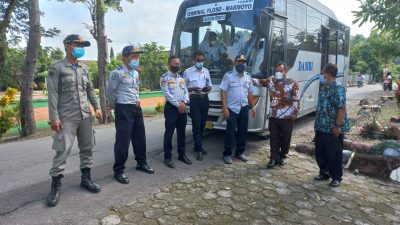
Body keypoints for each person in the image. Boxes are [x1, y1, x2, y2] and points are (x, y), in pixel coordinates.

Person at [46, 34, 103, 207]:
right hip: (66, 117)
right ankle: (55, 186)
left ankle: (86, 179)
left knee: (87, 148)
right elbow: (53, 94)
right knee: (62, 150)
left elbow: (90, 90)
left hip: (85, 115)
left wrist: (97, 106)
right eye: (77, 44)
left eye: (82, 45)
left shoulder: (84, 68)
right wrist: (54, 117)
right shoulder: (57, 67)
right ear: (67, 46)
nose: (80, 47)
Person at [106, 46, 154, 185]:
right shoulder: (117, 73)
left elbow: (135, 90)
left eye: (137, 56)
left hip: (136, 108)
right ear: (125, 57)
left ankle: (141, 163)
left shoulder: (135, 73)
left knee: (140, 138)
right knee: (123, 141)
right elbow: (110, 92)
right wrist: (117, 107)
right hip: (124, 109)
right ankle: (119, 170)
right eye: (133, 56)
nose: (136, 59)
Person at [314, 63, 349, 188]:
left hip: (332, 127)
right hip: (320, 126)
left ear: (328, 73)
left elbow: (341, 109)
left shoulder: (338, 88)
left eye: (323, 72)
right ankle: (324, 172)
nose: (322, 74)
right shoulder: (324, 87)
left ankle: (336, 177)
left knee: (334, 154)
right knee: (320, 152)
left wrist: (337, 126)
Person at [259, 62, 300, 169]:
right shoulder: (271, 81)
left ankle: (282, 156)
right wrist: (246, 77)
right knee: (274, 138)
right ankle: (273, 158)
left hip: (287, 117)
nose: (278, 72)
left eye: (280, 71)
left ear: (286, 71)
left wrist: (294, 114)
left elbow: (296, 99)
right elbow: (259, 82)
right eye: (277, 70)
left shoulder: (292, 83)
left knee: (286, 139)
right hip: (273, 116)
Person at [220, 54, 256, 164]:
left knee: (243, 131)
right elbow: (223, 92)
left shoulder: (248, 76)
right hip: (232, 108)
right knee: (230, 132)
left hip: (244, 107)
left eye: (243, 62)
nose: (241, 64)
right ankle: (227, 154)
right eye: (239, 62)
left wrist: (253, 106)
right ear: (235, 63)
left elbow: (250, 93)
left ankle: (240, 152)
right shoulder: (228, 76)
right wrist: (225, 108)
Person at [160, 56, 191, 168]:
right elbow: (167, 94)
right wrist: (179, 105)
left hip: (182, 107)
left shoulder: (181, 78)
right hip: (171, 109)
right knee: (169, 133)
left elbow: (186, 92)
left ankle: (182, 154)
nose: (177, 65)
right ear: (169, 64)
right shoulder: (164, 78)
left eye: (178, 63)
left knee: (182, 133)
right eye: (174, 63)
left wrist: (184, 102)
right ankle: (167, 157)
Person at [183, 51, 212, 161]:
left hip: (205, 100)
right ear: (194, 60)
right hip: (194, 100)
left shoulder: (206, 71)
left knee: (202, 125)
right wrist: (193, 89)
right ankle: (199, 149)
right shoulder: (188, 72)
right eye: (198, 60)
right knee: (196, 124)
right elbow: (183, 87)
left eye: (201, 60)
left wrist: (208, 88)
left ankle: (197, 146)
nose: (200, 62)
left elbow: (210, 85)